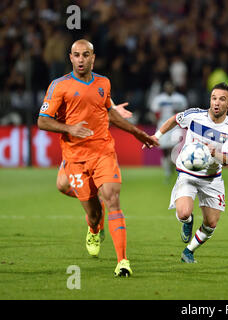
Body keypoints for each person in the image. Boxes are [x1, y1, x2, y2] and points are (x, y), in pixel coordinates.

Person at [37, 39, 156, 276]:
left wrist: (136, 132)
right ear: (70, 58)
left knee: (113, 199)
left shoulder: (104, 82)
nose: (81, 59)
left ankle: (123, 262)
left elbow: (109, 112)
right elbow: (42, 120)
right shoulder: (59, 86)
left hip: (103, 152)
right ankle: (94, 229)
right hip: (75, 158)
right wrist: (69, 128)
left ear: (93, 57)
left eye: (86, 55)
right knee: (94, 215)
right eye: (77, 55)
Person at [147, 82, 228, 263]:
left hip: (212, 179)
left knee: (211, 224)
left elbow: (227, 159)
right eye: (214, 98)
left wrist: (215, 153)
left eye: (222, 99)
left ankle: (189, 251)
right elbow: (174, 119)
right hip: (188, 174)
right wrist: (156, 136)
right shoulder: (195, 115)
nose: (216, 103)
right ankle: (187, 222)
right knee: (183, 213)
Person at [56, 100, 133, 243]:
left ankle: (94, 227)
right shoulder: (61, 87)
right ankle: (96, 203)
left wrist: (114, 109)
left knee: (104, 193)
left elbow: (104, 100)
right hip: (73, 148)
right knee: (62, 185)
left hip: (96, 148)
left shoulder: (96, 84)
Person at [147, 80, 188, 182]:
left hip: (176, 126)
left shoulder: (180, 98)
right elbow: (154, 112)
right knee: (164, 149)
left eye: (171, 86)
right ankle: (167, 171)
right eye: (167, 86)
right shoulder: (159, 99)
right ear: (164, 88)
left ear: (173, 87)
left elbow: (185, 112)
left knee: (175, 148)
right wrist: (157, 119)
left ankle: (176, 167)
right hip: (163, 125)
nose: (169, 88)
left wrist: (179, 114)